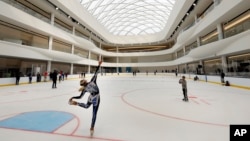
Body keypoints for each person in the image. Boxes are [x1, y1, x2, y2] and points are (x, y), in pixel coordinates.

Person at [69, 60, 102, 135]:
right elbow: (96, 73)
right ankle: (92, 127)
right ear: (85, 82)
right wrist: (99, 65)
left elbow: (80, 96)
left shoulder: (85, 89)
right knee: (94, 113)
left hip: (91, 97)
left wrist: (73, 97)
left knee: (87, 106)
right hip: (96, 98)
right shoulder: (92, 81)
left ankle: (77, 104)